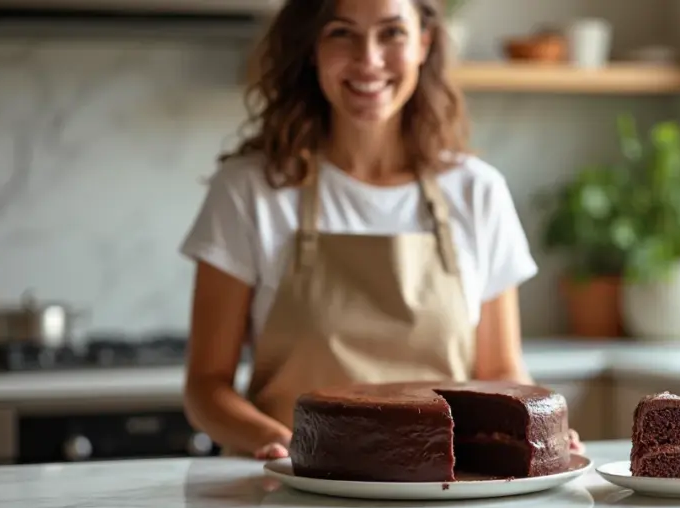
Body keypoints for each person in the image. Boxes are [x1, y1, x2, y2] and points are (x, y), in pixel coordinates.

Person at [179, 0, 584, 461]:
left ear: (424, 43)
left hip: (444, 499)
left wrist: (538, 431)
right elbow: (205, 388)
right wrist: (283, 446)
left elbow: (500, 369)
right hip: (288, 494)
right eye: (341, 33)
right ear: (311, 48)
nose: (368, 59)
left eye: (391, 33)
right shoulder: (250, 190)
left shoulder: (477, 191)